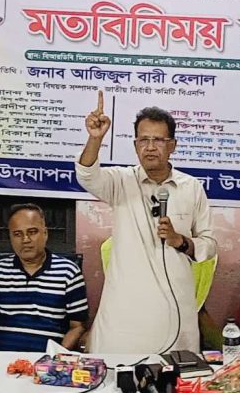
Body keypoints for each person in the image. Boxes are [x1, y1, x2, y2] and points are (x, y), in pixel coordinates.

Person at [76, 91, 217, 353]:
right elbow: (86, 175)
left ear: (172, 145)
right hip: (125, 314)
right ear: (135, 145)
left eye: (158, 140)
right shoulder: (121, 181)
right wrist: (95, 139)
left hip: (174, 311)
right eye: (143, 140)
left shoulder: (191, 188)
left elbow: (209, 246)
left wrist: (180, 241)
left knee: (174, 372)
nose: (150, 147)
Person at [0, 204, 88, 352]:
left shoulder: (69, 272)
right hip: (2, 357)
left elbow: (78, 326)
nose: (25, 239)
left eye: (32, 232)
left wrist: (56, 356)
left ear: (45, 233)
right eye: (17, 234)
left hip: (49, 359)